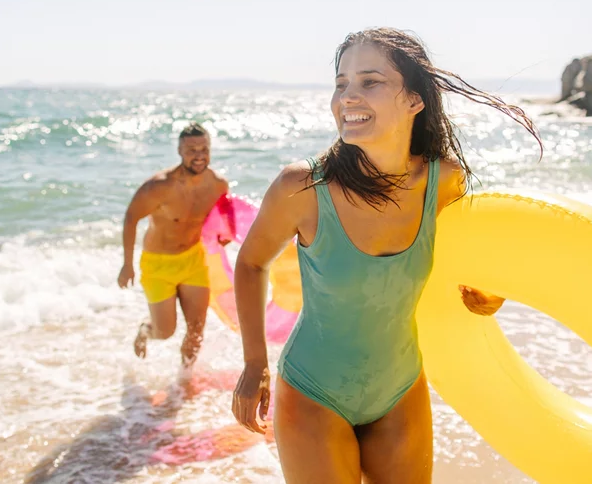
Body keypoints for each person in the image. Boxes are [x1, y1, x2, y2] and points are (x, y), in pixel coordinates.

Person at [230, 28, 541, 482]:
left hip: (400, 387)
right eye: (341, 84)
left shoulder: (444, 182)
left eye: (369, 82)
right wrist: (254, 362)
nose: (347, 97)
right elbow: (251, 262)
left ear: (414, 100)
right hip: (314, 391)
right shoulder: (304, 187)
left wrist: (489, 296)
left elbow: (463, 267)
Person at [117, 122, 230, 370]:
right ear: (179, 151)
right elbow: (131, 218)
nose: (199, 156)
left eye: (204, 149)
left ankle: (184, 380)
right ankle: (145, 330)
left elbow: (222, 219)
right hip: (158, 265)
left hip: (193, 260)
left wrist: (224, 235)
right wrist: (127, 265)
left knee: (196, 331)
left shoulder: (218, 185)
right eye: (191, 150)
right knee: (165, 331)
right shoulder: (159, 186)